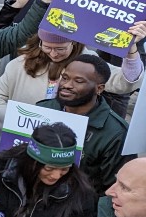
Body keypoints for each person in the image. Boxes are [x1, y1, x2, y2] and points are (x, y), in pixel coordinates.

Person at [0, 25, 145, 124]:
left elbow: (125, 82)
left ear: (73, 43)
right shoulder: (20, 64)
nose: (53, 54)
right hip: (21, 138)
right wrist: (19, 121)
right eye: (47, 47)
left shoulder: (88, 63)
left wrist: (131, 50)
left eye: (60, 49)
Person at [36, 54, 131, 192]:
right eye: (65, 78)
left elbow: (114, 189)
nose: (67, 85)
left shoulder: (116, 132)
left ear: (99, 88)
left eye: (78, 81)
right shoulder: (42, 109)